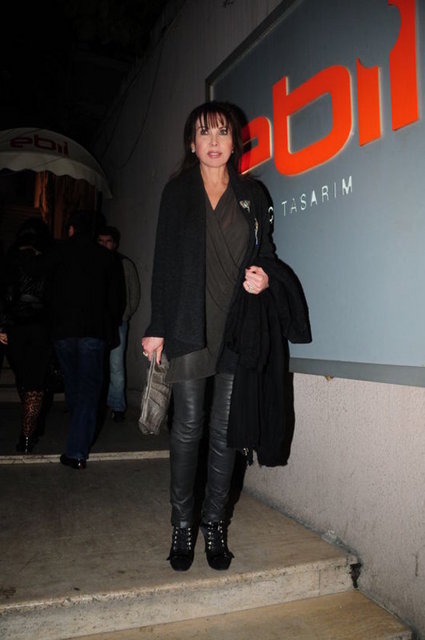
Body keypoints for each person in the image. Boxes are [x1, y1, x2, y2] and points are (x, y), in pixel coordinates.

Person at [142, 100, 308, 573]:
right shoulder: (177, 193)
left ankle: (214, 523)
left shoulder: (253, 194)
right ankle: (182, 525)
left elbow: (266, 251)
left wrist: (265, 277)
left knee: (226, 432)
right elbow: (164, 263)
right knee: (188, 427)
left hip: (238, 326)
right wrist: (156, 327)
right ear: (191, 143)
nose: (213, 141)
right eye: (204, 133)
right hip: (189, 326)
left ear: (235, 142)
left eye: (222, 132)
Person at [24, 210, 126, 469]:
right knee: (89, 390)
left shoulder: (59, 251)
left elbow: (33, 272)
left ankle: (77, 442)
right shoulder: (106, 257)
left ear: (71, 229)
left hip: (63, 332)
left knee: (74, 387)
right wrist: (110, 327)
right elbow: (116, 299)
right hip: (93, 332)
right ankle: (77, 449)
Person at [0, 218, 54, 453]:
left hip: (16, 327)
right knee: (35, 383)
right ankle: (28, 434)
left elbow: (3, 293)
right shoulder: (49, 260)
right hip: (42, 328)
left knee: (23, 378)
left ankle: (30, 425)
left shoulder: (10, 259)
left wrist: (2, 325)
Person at [97, 225, 141, 422]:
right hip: (96, 321)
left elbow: (134, 293)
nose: (104, 245)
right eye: (101, 241)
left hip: (117, 322)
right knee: (97, 363)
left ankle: (117, 405)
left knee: (115, 365)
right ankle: (98, 403)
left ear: (115, 244)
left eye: (108, 241)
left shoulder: (124, 264)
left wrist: (125, 315)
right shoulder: (92, 261)